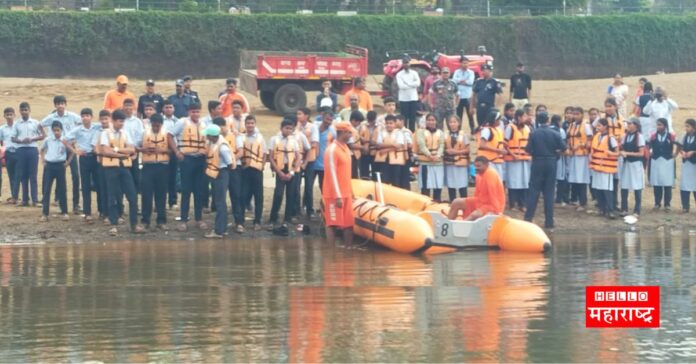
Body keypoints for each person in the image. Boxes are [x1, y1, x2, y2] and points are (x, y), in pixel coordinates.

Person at [99, 110, 145, 235]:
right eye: (120, 121)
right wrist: (121, 155)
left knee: (132, 196)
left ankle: (134, 224)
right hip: (111, 168)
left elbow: (131, 149)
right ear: (113, 121)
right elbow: (105, 151)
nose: (122, 124)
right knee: (113, 196)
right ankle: (113, 225)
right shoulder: (105, 133)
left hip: (124, 167)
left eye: (123, 121)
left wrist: (117, 150)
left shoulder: (125, 133)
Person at [168, 102, 208, 232]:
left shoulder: (204, 124)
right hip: (187, 159)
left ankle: (199, 219)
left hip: (200, 159)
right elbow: (169, 136)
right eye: (193, 112)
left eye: (197, 111)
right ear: (189, 112)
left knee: (199, 190)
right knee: (186, 191)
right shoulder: (182, 122)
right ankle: (183, 220)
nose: (195, 114)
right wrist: (177, 152)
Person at [524, 112, 565, 229]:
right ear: (548, 120)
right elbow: (564, 148)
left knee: (534, 191)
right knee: (549, 193)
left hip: (537, 162)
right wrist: (555, 153)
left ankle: (528, 218)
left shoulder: (534, 133)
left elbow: (528, 150)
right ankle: (549, 222)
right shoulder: (555, 133)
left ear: (537, 120)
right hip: (551, 163)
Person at [41, 95, 81, 214]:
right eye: (58, 103)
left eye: (62, 103)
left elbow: (81, 123)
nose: (60, 105)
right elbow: (40, 124)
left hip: (69, 146)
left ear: (65, 104)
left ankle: (76, 204)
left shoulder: (72, 116)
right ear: (55, 105)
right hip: (56, 147)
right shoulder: (51, 117)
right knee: (58, 173)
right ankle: (57, 200)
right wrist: (46, 136)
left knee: (75, 175)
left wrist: (76, 138)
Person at [322, 121, 354, 247]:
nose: (351, 135)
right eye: (350, 133)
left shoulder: (345, 148)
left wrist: (351, 192)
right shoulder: (332, 150)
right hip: (334, 194)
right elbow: (331, 174)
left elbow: (347, 173)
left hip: (346, 192)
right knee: (332, 223)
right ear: (343, 132)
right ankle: (331, 252)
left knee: (348, 223)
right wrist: (337, 195)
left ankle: (348, 249)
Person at [67, 108, 101, 222]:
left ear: (92, 117)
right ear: (81, 118)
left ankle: (102, 211)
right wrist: (75, 151)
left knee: (99, 184)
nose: (85, 118)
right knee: (85, 186)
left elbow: (107, 125)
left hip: (96, 157)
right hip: (84, 158)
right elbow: (64, 139)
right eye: (83, 116)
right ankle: (87, 213)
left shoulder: (97, 126)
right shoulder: (77, 130)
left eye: (87, 115)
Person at [448, 156, 505, 220]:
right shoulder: (479, 175)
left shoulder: (490, 174)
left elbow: (493, 195)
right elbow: (477, 194)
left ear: (487, 165)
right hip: (480, 201)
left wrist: (497, 211)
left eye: (478, 166)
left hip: (491, 205)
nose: (476, 168)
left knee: (474, 215)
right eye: (475, 166)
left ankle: (463, 227)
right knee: (456, 202)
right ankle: (447, 225)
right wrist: (473, 206)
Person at [268, 118, 301, 227]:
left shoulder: (294, 141)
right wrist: (279, 172)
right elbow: (271, 157)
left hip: (291, 170)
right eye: (287, 128)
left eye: (291, 129)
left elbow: (298, 158)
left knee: (291, 194)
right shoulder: (274, 139)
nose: (289, 131)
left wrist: (291, 172)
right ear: (281, 128)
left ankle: (288, 217)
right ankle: (273, 217)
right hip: (280, 170)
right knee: (278, 194)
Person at [40, 121, 75, 222]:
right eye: (54, 130)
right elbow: (41, 149)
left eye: (58, 130)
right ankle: (45, 214)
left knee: (62, 189)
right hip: (49, 166)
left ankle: (64, 212)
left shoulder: (65, 141)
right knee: (46, 190)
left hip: (60, 166)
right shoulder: (48, 140)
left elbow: (72, 151)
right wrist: (43, 160)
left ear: (61, 130)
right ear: (52, 130)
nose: (56, 132)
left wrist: (68, 162)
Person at [139, 113, 170, 230]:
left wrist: (161, 150)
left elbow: (172, 150)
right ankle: (145, 220)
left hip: (162, 167)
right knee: (146, 194)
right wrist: (144, 149)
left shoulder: (167, 134)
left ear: (162, 124)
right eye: (154, 126)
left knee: (161, 194)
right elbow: (135, 147)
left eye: (158, 126)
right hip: (148, 166)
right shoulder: (144, 133)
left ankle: (161, 221)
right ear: (150, 124)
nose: (156, 128)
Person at [202, 123, 233, 239]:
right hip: (217, 174)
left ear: (212, 136)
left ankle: (219, 231)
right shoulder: (214, 143)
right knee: (220, 202)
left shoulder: (222, 147)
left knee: (220, 202)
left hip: (221, 174)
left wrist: (222, 173)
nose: (206, 137)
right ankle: (222, 229)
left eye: (207, 135)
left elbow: (230, 163)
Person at [12, 102, 44, 207]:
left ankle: (35, 200)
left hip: (32, 149)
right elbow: (13, 138)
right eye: (22, 110)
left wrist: (32, 139)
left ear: (29, 110)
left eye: (26, 110)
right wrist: (21, 141)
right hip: (21, 150)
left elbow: (43, 135)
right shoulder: (16, 123)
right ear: (19, 111)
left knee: (33, 175)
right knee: (23, 175)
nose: (24, 112)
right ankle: (25, 200)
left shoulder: (36, 122)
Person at [239, 115, 267, 230]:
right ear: (245, 125)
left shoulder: (260, 138)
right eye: (248, 123)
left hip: (257, 170)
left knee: (258, 196)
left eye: (252, 123)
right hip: (245, 170)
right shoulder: (241, 137)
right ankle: (240, 221)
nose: (250, 125)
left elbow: (265, 153)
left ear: (255, 124)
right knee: (243, 195)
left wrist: (262, 166)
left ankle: (257, 221)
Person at [589, 118, 619, 219]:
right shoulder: (596, 136)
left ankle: (610, 210)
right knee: (598, 189)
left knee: (607, 190)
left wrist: (611, 153)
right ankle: (602, 209)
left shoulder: (611, 138)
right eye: (597, 126)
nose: (598, 127)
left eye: (600, 125)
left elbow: (617, 152)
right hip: (597, 167)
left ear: (605, 126)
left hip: (607, 169)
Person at [504, 109, 532, 212]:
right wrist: (513, 154)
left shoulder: (527, 129)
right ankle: (512, 204)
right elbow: (505, 144)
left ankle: (522, 204)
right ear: (519, 117)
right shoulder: (510, 128)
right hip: (513, 160)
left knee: (524, 181)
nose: (526, 118)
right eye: (524, 116)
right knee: (513, 182)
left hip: (524, 159)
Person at [566, 107, 593, 212]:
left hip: (582, 156)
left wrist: (580, 145)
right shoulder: (572, 125)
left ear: (582, 114)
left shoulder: (586, 125)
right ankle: (576, 200)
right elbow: (569, 138)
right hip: (573, 155)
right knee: (575, 178)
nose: (575, 116)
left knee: (582, 179)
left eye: (577, 114)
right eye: (574, 114)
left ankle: (583, 202)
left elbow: (590, 139)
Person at [296, 107, 319, 219]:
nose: (298, 116)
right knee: (296, 185)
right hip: (298, 158)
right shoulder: (296, 126)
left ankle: (310, 210)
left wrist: (304, 146)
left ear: (307, 116)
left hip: (310, 159)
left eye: (300, 114)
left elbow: (314, 144)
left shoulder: (313, 127)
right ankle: (297, 209)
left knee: (309, 186)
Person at [619, 118, 645, 216]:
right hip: (626, 164)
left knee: (637, 187)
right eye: (628, 123)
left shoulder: (639, 137)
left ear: (636, 126)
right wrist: (621, 152)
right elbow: (621, 148)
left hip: (635, 165)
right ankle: (624, 208)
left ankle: (637, 210)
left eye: (630, 124)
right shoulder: (625, 136)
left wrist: (627, 153)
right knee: (624, 186)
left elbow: (641, 153)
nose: (628, 125)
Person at [415, 113, 445, 201]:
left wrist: (438, 155)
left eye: (433, 120)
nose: (431, 122)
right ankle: (425, 204)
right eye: (429, 120)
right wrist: (430, 155)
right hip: (425, 163)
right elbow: (421, 145)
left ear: (436, 121)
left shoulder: (440, 133)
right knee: (425, 187)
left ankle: (437, 203)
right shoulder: (421, 132)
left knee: (438, 186)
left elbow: (442, 145)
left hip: (438, 163)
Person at [648, 118, 675, 211]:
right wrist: (650, 150)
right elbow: (649, 145)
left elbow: (678, 144)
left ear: (665, 126)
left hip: (667, 161)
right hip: (656, 160)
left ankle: (667, 204)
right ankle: (657, 203)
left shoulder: (671, 136)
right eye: (657, 125)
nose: (658, 126)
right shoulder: (653, 136)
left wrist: (674, 153)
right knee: (657, 183)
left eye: (660, 125)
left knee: (667, 184)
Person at [443, 115, 469, 202]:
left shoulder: (463, 135)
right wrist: (447, 151)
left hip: (461, 163)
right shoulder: (445, 135)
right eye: (451, 122)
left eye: (454, 122)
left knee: (462, 184)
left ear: (458, 123)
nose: (452, 124)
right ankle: (452, 201)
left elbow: (467, 149)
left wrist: (456, 152)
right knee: (451, 184)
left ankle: (465, 202)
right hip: (450, 163)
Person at [477, 110, 507, 181]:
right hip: (489, 162)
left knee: (498, 182)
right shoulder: (487, 130)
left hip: (497, 160)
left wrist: (503, 144)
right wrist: (498, 150)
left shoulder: (498, 130)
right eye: (498, 120)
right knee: (491, 182)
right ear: (494, 120)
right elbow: (482, 145)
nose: (500, 121)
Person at [375, 114, 405, 186]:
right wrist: (392, 145)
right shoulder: (381, 132)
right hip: (384, 160)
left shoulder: (399, 133)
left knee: (395, 180)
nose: (389, 125)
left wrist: (385, 150)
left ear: (395, 124)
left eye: (391, 123)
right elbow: (378, 145)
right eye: (387, 123)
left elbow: (399, 145)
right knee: (384, 180)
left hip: (396, 159)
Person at [122, 98, 144, 191]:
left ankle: (133, 202)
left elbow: (140, 137)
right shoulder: (120, 120)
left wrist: (134, 150)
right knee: (123, 177)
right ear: (123, 107)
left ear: (133, 108)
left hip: (134, 152)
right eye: (126, 106)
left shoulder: (137, 121)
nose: (128, 108)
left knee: (135, 176)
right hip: (121, 152)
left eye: (130, 106)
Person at [161, 100, 179, 209]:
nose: (168, 109)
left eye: (170, 107)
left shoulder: (178, 121)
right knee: (161, 178)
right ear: (163, 109)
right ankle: (160, 202)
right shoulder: (158, 120)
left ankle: (173, 201)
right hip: (161, 151)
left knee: (173, 177)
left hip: (173, 151)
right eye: (166, 107)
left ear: (174, 108)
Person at [314, 108, 337, 192]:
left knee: (323, 186)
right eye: (327, 119)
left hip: (324, 164)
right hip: (312, 162)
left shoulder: (333, 131)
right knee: (308, 186)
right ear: (322, 117)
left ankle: (325, 203)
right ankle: (306, 205)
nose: (328, 122)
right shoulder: (314, 127)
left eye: (331, 120)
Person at [395, 58, 421, 131]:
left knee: (412, 118)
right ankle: (404, 133)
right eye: (404, 63)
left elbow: (418, 83)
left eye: (407, 62)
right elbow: (401, 86)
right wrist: (412, 85)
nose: (406, 64)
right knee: (404, 118)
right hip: (403, 99)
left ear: (410, 63)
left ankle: (412, 133)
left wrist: (407, 83)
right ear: (402, 64)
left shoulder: (414, 73)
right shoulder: (399, 74)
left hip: (413, 98)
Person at [677, 119, 696, 213]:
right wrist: (682, 152)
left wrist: (693, 152)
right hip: (686, 163)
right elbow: (680, 147)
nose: (686, 128)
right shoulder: (684, 136)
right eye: (686, 126)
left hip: (694, 164)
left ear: (693, 127)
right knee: (684, 185)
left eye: (688, 126)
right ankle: (685, 206)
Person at [1, 107, 19, 204]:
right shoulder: (2, 129)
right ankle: (14, 196)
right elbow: (1, 142)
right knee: (11, 176)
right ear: (4, 116)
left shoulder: (18, 126)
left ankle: (23, 196)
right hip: (8, 154)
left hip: (18, 153)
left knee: (19, 176)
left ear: (14, 115)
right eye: (7, 115)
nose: (9, 116)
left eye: (11, 114)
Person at [452, 57, 475, 133]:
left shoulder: (471, 72)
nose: (465, 64)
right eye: (464, 63)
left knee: (470, 115)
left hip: (468, 96)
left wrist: (460, 81)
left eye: (467, 63)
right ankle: (458, 131)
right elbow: (454, 81)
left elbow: (471, 82)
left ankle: (473, 131)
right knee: (459, 115)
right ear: (460, 63)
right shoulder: (457, 72)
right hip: (459, 97)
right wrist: (464, 81)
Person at [347, 111, 364, 179]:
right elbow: (351, 145)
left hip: (355, 155)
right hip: (351, 155)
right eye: (358, 122)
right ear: (353, 120)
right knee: (353, 175)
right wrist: (362, 147)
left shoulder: (353, 128)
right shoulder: (349, 129)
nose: (359, 124)